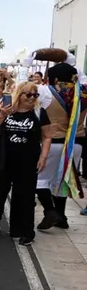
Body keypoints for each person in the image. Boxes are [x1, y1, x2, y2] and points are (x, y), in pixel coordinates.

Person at [0, 82, 51, 246]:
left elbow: (47, 136)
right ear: (19, 94)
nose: (32, 98)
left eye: (35, 95)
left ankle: (25, 232)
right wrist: (1, 116)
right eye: (28, 94)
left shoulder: (40, 112)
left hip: (28, 161)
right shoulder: (6, 108)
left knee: (24, 197)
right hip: (4, 158)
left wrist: (44, 156)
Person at [35, 62, 86, 230]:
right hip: (76, 144)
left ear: (55, 78)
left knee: (40, 180)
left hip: (54, 142)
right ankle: (61, 218)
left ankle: (51, 212)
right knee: (61, 181)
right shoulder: (83, 94)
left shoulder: (45, 91)